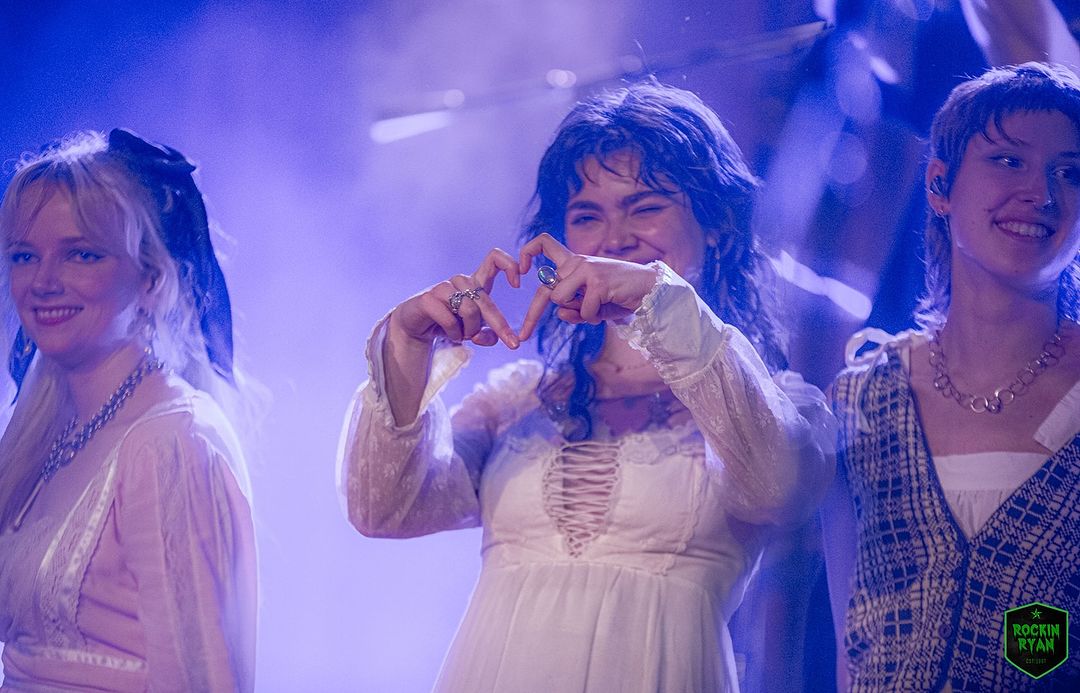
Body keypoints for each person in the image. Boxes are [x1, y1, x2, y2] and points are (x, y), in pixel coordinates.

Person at [338, 81, 834, 692]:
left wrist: (657, 298)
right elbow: (382, 507)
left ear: (716, 225)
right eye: (587, 216)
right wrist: (408, 342)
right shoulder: (516, 401)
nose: (614, 238)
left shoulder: (767, 401)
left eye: (646, 207)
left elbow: (776, 488)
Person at [824, 62, 1080, 691]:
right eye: (1009, 162)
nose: (1042, 194)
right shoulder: (862, 396)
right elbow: (850, 644)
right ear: (940, 184)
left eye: (1071, 172)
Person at [0, 130, 257, 691]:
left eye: (81, 253)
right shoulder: (37, 433)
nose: (43, 282)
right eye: (24, 255)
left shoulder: (168, 443)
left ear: (150, 279)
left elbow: (197, 676)